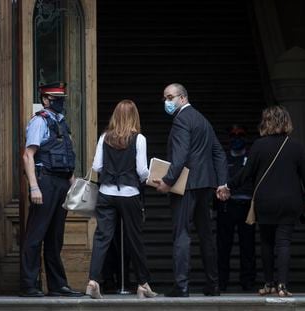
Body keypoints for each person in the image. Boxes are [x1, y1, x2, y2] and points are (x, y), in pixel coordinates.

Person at [218, 105, 305, 297]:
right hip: (290, 202)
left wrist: (227, 186)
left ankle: (269, 283)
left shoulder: (258, 145)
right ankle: (282, 286)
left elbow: (246, 174)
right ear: (286, 121)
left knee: (266, 242)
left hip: (265, 202)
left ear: (266, 123)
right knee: (284, 242)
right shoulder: (295, 146)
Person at [154, 83, 228, 297]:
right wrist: (222, 182)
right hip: (205, 185)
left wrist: (167, 181)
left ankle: (181, 286)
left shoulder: (181, 120)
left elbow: (180, 156)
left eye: (170, 97)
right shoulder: (202, 120)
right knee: (206, 236)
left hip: (185, 185)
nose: (167, 102)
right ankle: (212, 285)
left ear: (183, 98)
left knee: (182, 235)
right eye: (165, 98)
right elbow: (219, 153)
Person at [86, 99, 157, 299]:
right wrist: (152, 178)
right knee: (135, 239)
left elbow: (97, 167)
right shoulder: (139, 138)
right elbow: (142, 171)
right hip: (129, 193)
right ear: (134, 116)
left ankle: (93, 281)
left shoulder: (104, 137)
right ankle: (142, 283)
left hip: (106, 193)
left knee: (102, 237)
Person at [20, 82, 83, 297]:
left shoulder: (62, 123)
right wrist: (34, 187)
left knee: (55, 237)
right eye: (56, 99)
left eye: (62, 98)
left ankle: (58, 285)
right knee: (36, 235)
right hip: (45, 181)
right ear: (45, 100)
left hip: (62, 183)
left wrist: (73, 183)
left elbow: (66, 156)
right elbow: (28, 155)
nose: (60, 102)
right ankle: (29, 284)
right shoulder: (40, 121)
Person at [214, 125, 256, 291]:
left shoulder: (251, 159)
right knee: (223, 247)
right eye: (234, 135)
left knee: (248, 247)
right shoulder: (223, 159)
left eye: (240, 135)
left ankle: (247, 281)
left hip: (246, 206)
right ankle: (222, 281)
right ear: (229, 138)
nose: (237, 138)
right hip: (227, 207)